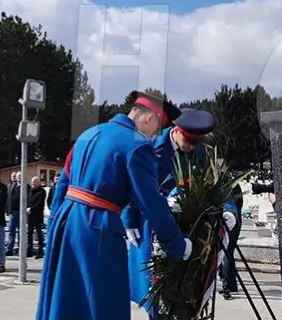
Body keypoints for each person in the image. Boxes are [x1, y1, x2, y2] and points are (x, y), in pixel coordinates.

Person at [37, 91, 192, 320]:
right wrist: (177, 244)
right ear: (150, 118)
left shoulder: (89, 133)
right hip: (98, 228)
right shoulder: (137, 145)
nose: (154, 136)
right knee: (103, 303)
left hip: (67, 222)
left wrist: (55, 224)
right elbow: (151, 203)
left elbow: (63, 183)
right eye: (158, 129)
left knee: (65, 298)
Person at [122, 107, 236, 317]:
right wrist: (128, 218)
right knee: (156, 291)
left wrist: (228, 211)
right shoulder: (149, 146)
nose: (193, 147)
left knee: (186, 295)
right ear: (176, 130)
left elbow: (217, 185)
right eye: (190, 141)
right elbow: (131, 185)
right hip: (152, 229)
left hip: (188, 233)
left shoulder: (201, 152)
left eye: (197, 142)